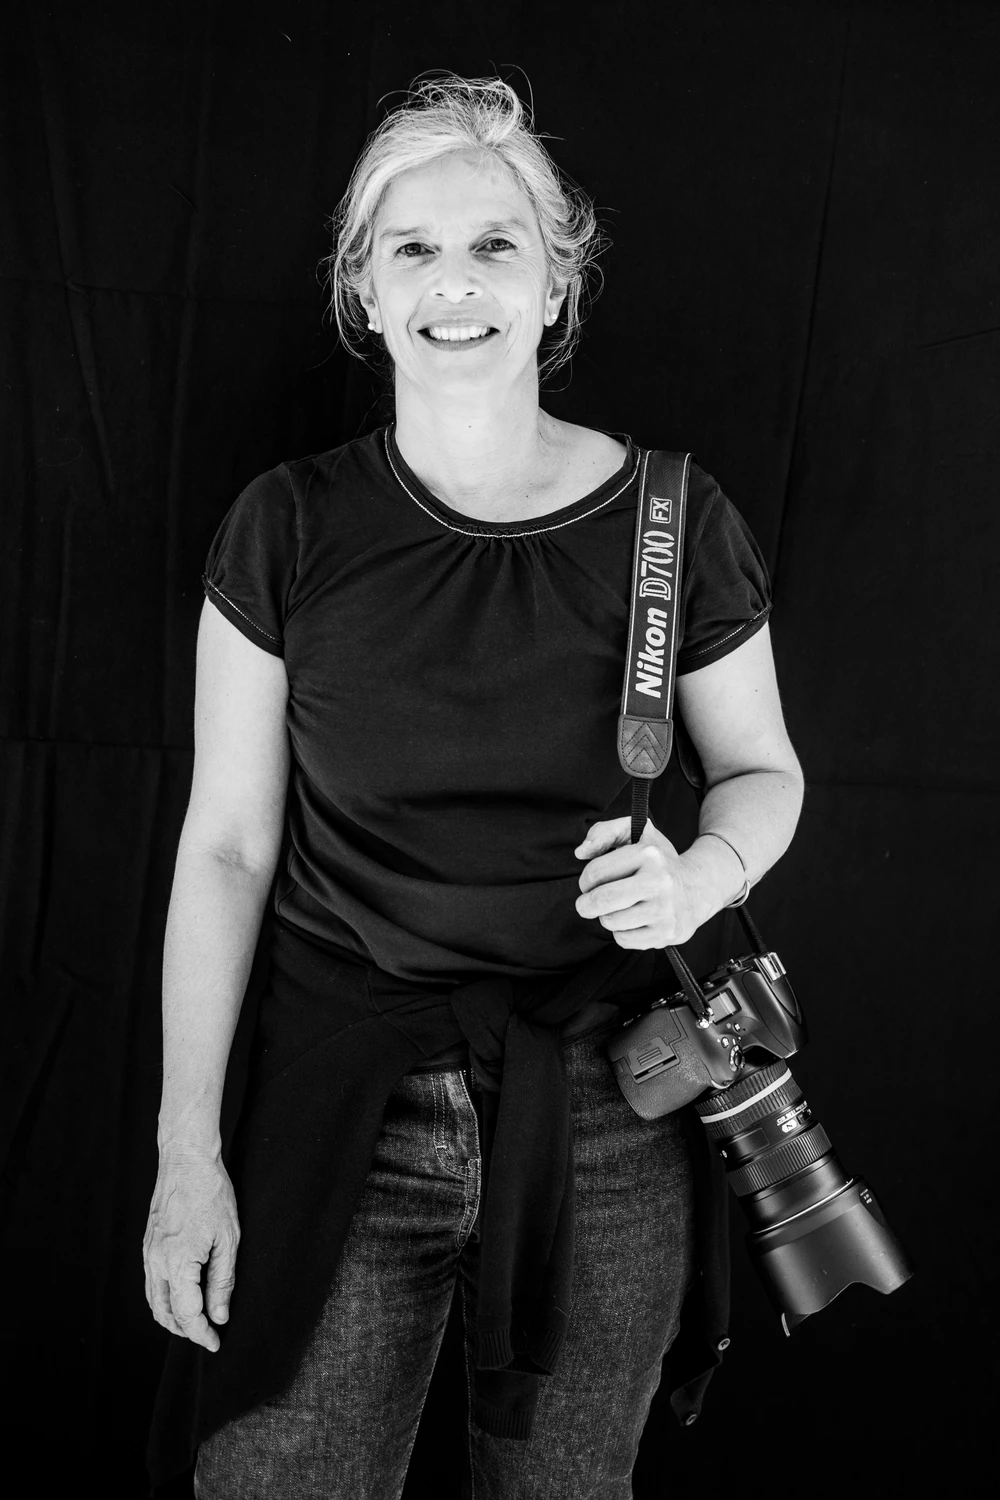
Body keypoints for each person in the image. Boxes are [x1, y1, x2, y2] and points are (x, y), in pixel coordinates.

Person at [143, 74, 804, 1500]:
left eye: (497, 245)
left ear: (557, 283)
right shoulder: (286, 527)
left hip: (608, 1102)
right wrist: (186, 1151)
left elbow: (764, 771)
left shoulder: (672, 518)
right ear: (365, 291)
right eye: (415, 248)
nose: (456, 282)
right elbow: (229, 849)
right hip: (341, 1100)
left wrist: (702, 875)